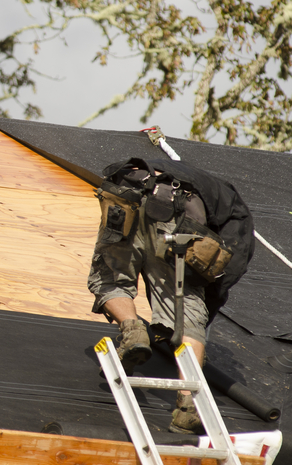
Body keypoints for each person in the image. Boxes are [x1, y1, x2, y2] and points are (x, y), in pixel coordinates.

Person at [88, 157, 254, 434]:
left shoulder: (193, 179)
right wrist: (197, 308)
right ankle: (188, 407)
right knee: (189, 303)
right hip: (178, 217)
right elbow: (221, 279)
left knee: (112, 276)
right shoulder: (237, 222)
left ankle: (133, 331)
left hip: (126, 195)